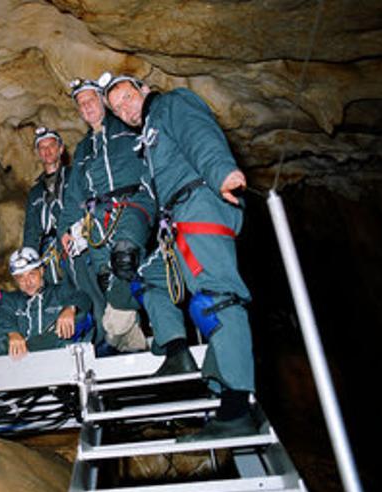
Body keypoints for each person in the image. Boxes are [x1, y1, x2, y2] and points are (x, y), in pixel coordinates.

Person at [103, 73, 255, 440]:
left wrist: (222, 171)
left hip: (200, 204)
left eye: (126, 97)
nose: (124, 109)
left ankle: (237, 404)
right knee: (146, 279)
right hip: (175, 224)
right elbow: (143, 197)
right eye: (117, 108)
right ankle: (176, 352)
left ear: (143, 89)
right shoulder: (148, 143)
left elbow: (198, 134)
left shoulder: (172, 104)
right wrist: (128, 241)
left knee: (217, 299)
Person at [59, 77, 151, 354]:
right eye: (81, 103)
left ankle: (128, 331)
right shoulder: (83, 148)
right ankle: (134, 344)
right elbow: (74, 193)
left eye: (90, 99)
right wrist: (65, 227)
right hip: (97, 219)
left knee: (128, 263)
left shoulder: (126, 126)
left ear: (102, 101)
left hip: (131, 205)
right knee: (107, 281)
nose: (86, 106)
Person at [0, 247, 93, 359]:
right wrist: (12, 333)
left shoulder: (59, 291)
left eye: (32, 274)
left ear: (41, 271)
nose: (28, 282)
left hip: (57, 358)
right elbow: (2, 316)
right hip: (22, 361)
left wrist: (71, 308)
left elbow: (83, 297)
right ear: (15, 280)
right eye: (20, 278)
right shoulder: (10, 299)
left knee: (83, 320)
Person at [23, 127, 71, 287]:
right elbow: (31, 230)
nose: (47, 151)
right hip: (48, 252)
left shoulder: (74, 176)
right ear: (38, 153)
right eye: (42, 148)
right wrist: (28, 261)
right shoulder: (36, 192)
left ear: (61, 149)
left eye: (51, 145)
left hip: (74, 244)